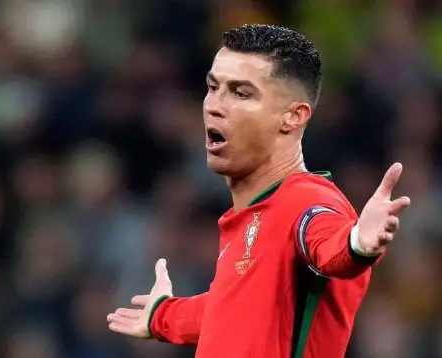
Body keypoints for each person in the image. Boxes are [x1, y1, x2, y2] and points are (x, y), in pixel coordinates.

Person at [106, 24, 411, 358]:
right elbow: (234, 310)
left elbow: (330, 245)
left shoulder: (307, 201)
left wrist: (358, 244)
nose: (214, 105)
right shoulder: (254, 214)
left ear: (293, 117)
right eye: (213, 87)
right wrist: (162, 316)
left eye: (240, 93)